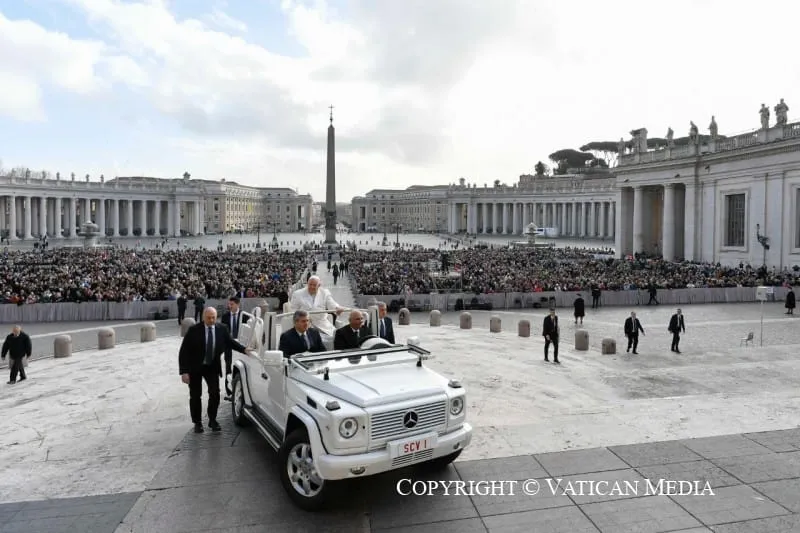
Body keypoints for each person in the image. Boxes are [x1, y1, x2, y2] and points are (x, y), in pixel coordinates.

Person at [178, 307, 249, 433]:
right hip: (195, 366)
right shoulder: (194, 330)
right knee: (195, 395)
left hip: (212, 366)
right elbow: (184, 352)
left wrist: (244, 349)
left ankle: (212, 420)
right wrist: (184, 371)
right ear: (203, 317)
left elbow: (230, 342)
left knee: (215, 393)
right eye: (209, 318)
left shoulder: (222, 329)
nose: (211, 320)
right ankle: (197, 422)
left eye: (213, 318)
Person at [290, 275, 345, 341]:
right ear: (307, 283)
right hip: (304, 324)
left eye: (314, 285)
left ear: (319, 285)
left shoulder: (325, 293)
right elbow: (293, 311)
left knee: (336, 338)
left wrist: (337, 308)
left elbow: (331, 304)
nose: (312, 287)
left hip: (322, 324)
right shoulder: (297, 294)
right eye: (310, 284)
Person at [221, 296, 250, 401]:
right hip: (229, 347)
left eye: (232, 304)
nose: (229, 306)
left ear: (238, 304)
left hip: (241, 347)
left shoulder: (246, 316)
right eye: (229, 304)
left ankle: (239, 391)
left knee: (239, 369)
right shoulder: (225, 317)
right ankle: (229, 393)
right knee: (228, 368)